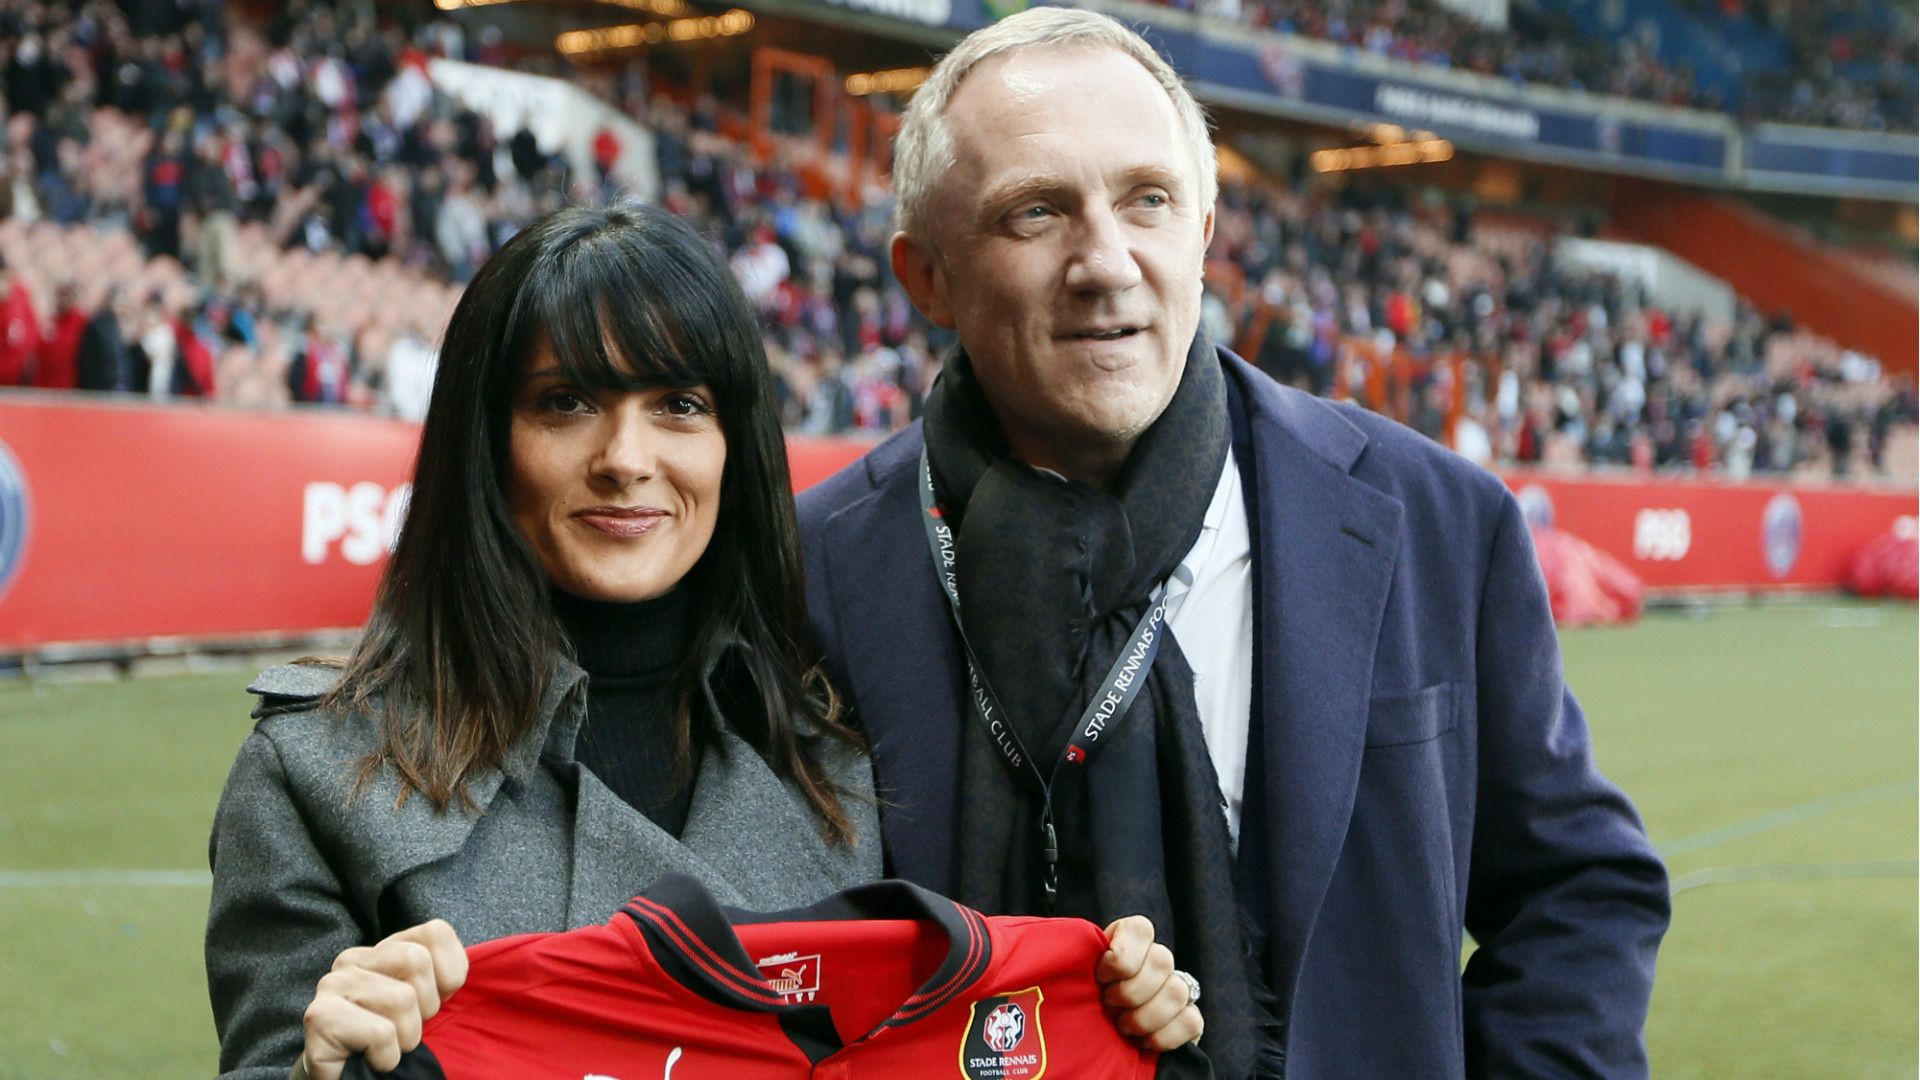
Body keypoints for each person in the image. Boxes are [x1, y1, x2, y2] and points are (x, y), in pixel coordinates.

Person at [795, 9, 1671, 1080]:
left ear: (1203, 234)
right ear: (925, 276)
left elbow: (1579, 888)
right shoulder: (816, 571)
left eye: (1147, 200)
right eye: (1036, 213)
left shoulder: (1439, 521)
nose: (1106, 263)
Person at [206, 203, 1202, 1080]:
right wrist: (320, 1070)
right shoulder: (313, 773)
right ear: (488, 440)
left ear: (735, 444)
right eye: (568, 403)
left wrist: (1111, 1016)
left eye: (678, 406)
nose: (626, 461)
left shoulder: (842, 752)